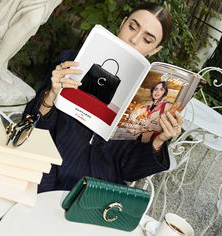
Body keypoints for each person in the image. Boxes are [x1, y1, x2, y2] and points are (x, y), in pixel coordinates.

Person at [24, 2, 183, 192]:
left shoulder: (145, 101)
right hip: (46, 173)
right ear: (122, 24)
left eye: (147, 40)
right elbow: (32, 124)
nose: (134, 39)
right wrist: (50, 95)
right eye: (132, 27)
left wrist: (158, 141)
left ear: (155, 50)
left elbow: (128, 171)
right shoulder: (72, 62)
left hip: (97, 192)